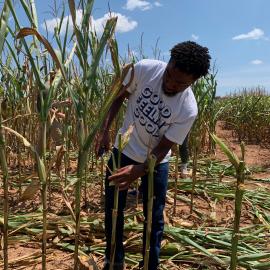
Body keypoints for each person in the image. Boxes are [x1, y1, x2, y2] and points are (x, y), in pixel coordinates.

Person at [95, 41, 211, 270]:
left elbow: (163, 147)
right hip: (124, 149)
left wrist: (139, 170)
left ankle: (150, 263)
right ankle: (115, 260)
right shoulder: (145, 69)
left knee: (154, 217)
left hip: (157, 162)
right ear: (168, 63)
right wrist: (105, 131)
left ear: (193, 82)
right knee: (112, 208)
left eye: (180, 83)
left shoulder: (188, 109)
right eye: (169, 75)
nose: (170, 84)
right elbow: (118, 96)